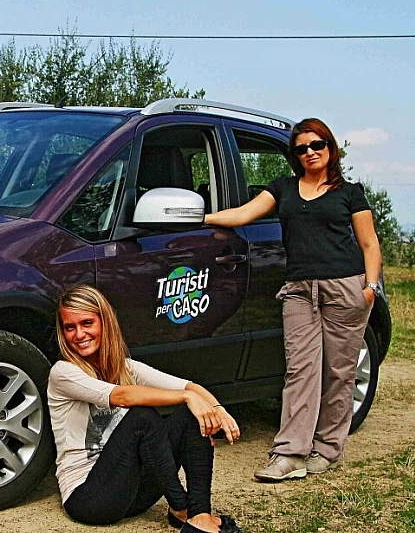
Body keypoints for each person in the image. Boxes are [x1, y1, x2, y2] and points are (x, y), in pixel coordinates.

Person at [204, 117, 382, 482]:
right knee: (300, 370)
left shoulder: (350, 192)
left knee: (338, 372)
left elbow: (369, 243)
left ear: (330, 148)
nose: (310, 153)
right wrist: (198, 218)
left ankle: (329, 449)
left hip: (345, 287)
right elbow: (243, 214)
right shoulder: (283, 188)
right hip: (299, 290)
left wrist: (369, 288)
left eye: (317, 145)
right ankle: (289, 454)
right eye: (302, 148)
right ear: (294, 154)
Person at [48, 284, 241, 533]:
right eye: (69, 327)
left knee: (189, 414)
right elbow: (123, 397)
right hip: (90, 499)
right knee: (143, 417)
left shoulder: (126, 368)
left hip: (133, 493)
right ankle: (181, 506)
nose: (79, 334)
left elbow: (190, 386)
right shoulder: (63, 372)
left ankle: (198, 516)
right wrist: (186, 397)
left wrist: (216, 408)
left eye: (87, 323)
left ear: (104, 323)